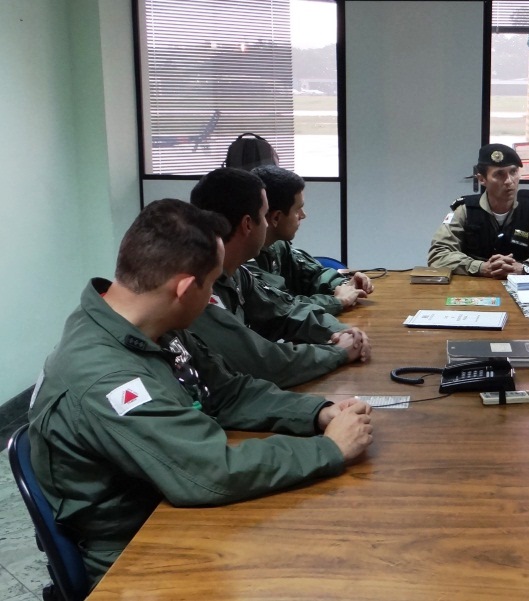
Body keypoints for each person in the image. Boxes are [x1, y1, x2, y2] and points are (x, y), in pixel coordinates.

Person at [28, 199, 375, 587]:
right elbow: (209, 471)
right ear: (185, 288)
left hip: (173, 510)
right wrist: (329, 449)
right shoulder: (107, 377)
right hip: (136, 556)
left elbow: (226, 392)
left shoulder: (152, 327)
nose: (213, 298)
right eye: (211, 285)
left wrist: (317, 412)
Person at [189, 168, 371, 388]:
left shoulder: (235, 274)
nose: (267, 225)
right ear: (248, 224)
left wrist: (339, 331)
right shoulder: (197, 290)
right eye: (264, 216)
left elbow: (285, 312)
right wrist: (337, 351)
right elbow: (264, 362)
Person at [428, 143, 529, 278]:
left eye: (513, 172)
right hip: (474, 284)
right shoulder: (465, 210)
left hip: (521, 283)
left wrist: (525, 267)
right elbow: (438, 254)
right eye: (499, 174)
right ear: (482, 179)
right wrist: (480, 267)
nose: (509, 181)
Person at [248, 165, 371, 316]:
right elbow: (282, 307)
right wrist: (337, 301)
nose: (303, 215)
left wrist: (344, 285)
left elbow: (312, 275)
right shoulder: (244, 261)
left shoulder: (277, 245)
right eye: (297, 209)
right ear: (276, 217)